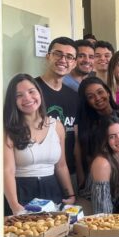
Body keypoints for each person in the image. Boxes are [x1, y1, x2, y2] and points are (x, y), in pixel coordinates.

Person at [3, 74, 76, 237]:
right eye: (19, 95)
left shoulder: (55, 124)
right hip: (22, 193)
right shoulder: (8, 129)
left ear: (39, 94)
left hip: (52, 192)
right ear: (12, 101)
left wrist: (70, 194)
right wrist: (15, 206)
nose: (27, 98)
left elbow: (62, 165)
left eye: (31, 91)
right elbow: (7, 170)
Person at [35, 36, 79, 187]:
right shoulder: (32, 91)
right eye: (58, 54)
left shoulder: (74, 96)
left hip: (69, 172)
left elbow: (76, 138)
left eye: (69, 57)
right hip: (39, 175)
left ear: (74, 63)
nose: (63, 60)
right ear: (48, 57)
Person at [75, 77, 118, 199]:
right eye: (91, 96)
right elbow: (79, 151)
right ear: (86, 102)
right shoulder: (86, 124)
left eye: (100, 92)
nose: (97, 98)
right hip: (97, 180)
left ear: (108, 92)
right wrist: (81, 176)